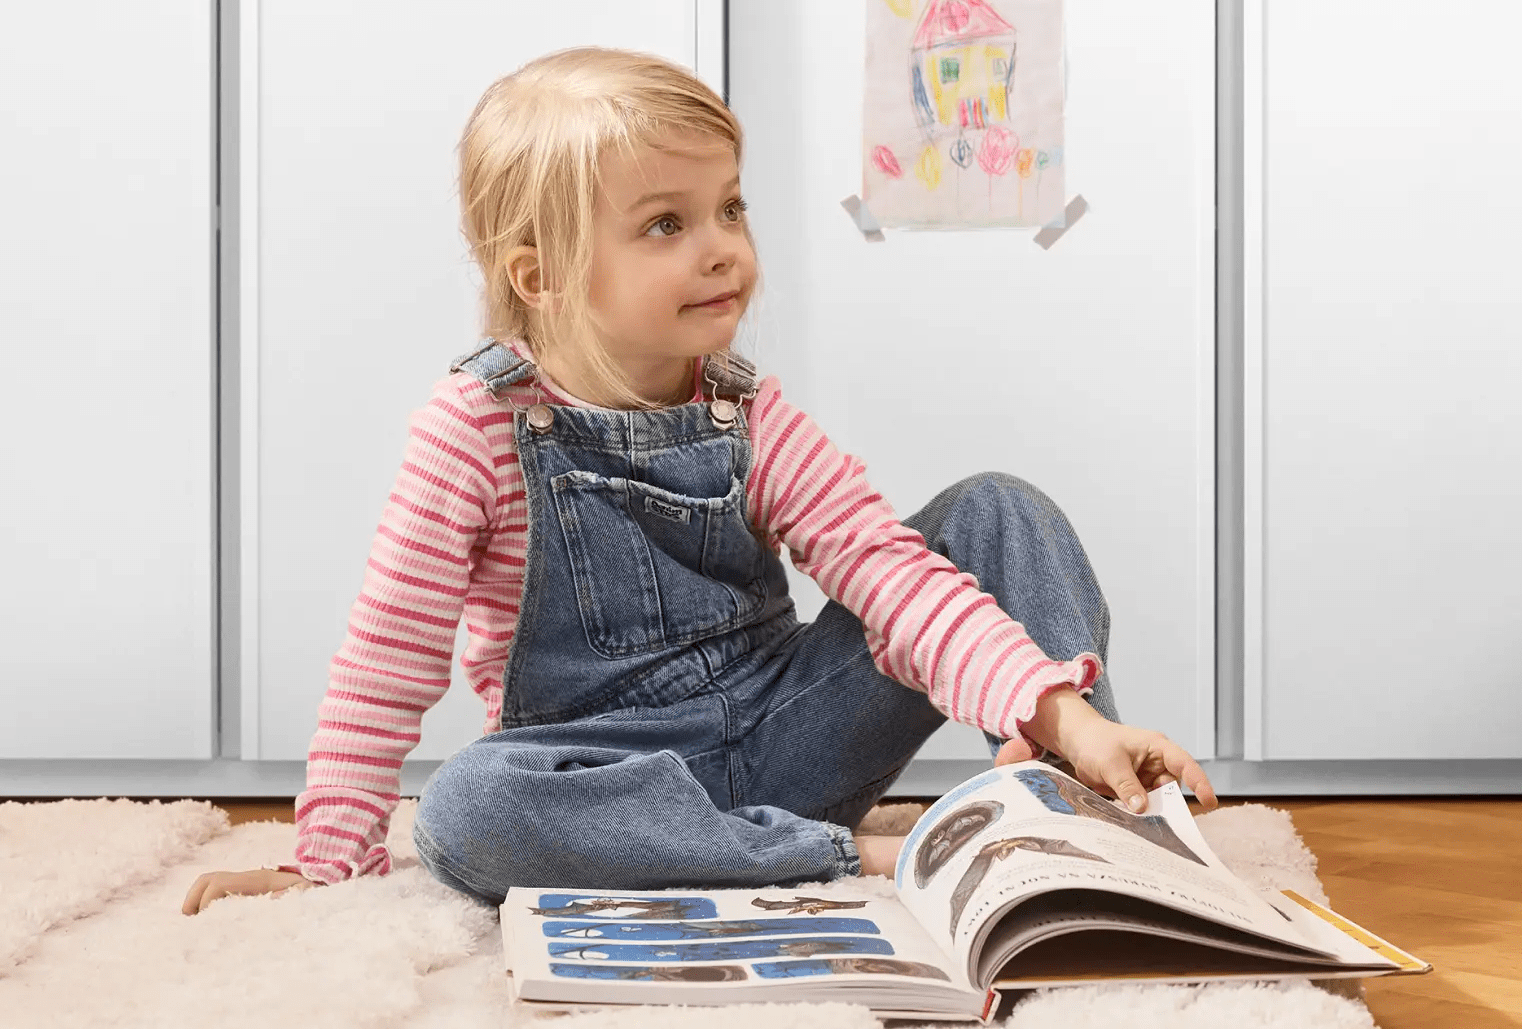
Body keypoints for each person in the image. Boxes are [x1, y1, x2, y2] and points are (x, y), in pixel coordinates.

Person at [183, 46, 1214, 914]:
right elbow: (385, 661)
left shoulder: (745, 410)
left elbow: (887, 575)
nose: (723, 248)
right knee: (465, 811)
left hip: (790, 734)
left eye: (728, 207)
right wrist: (326, 866)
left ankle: (1076, 795)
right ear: (537, 275)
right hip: (601, 778)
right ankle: (824, 858)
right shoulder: (470, 431)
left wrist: (1058, 712)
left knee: (996, 509)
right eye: (667, 225)